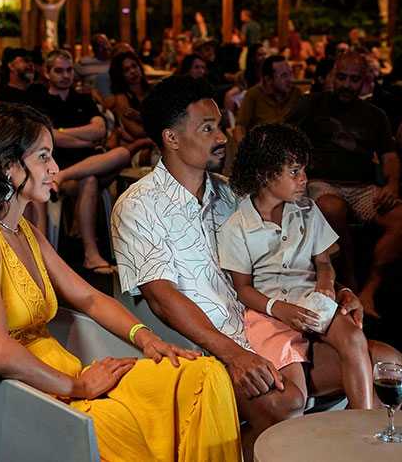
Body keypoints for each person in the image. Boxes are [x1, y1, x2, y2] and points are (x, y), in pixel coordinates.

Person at [111, 75, 402, 461]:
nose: (221, 137)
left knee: (389, 363)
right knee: (287, 400)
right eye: (208, 128)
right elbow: (163, 301)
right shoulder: (138, 207)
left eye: (221, 126)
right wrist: (233, 354)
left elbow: (289, 260)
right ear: (172, 138)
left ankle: (350, 449)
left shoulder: (231, 193)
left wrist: (336, 291)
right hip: (208, 350)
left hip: (271, 325)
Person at [0, 103, 241, 462]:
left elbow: (90, 298)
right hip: (22, 397)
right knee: (121, 420)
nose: (55, 169)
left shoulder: (22, 230)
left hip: (66, 376)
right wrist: (77, 386)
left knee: (202, 373)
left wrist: (149, 340)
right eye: (43, 157)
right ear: (6, 165)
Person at [221, 123, 373, 410]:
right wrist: (279, 309)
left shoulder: (307, 209)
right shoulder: (237, 226)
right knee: (293, 393)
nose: (304, 179)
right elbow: (242, 289)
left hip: (311, 301)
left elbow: (324, 261)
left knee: (353, 336)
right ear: (265, 174)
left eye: (303, 170)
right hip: (269, 313)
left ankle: (361, 424)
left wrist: (326, 284)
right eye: (294, 172)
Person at [287, 52, 402, 318]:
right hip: (320, 182)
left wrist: (392, 185)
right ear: (331, 76)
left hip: (361, 186)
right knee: (331, 207)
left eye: (354, 79)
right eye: (342, 77)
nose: (347, 85)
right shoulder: (310, 105)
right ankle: (349, 280)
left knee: (399, 218)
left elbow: (390, 155)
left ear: (365, 81)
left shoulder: (375, 114)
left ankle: (370, 288)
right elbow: (281, 136)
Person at [28, 49, 113, 274]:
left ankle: (90, 255)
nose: (65, 75)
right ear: (47, 73)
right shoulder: (40, 100)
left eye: (68, 70)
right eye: (59, 71)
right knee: (90, 178)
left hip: (82, 167)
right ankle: (90, 253)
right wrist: (83, 141)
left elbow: (100, 129)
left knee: (121, 153)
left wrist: (63, 133)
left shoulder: (83, 99)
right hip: (54, 170)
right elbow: (47, 137)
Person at [234, 55, 302, 144]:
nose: (290, 79)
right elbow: (240, 127)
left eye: (290, 73)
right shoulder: (253, 95)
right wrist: (244, 149)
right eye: (284, 75)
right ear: (268, 79)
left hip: (290, 148)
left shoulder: (296, 93)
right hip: (263, 149)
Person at [109, 52, 151, 147]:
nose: (133, 71)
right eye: (126, 70)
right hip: (137, 146)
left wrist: (141, 117)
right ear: (120, 75)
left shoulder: (152, 90)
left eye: (134, 66)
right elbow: (137, 131)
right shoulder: (121, 98)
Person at [74, 33, 113, 101]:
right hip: (90, 102)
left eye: (106, 43)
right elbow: (71, 82)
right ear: (94, 49)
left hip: (112, 102)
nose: (105, 47)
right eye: (100, 45)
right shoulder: (84, 62)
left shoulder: (115, 62)